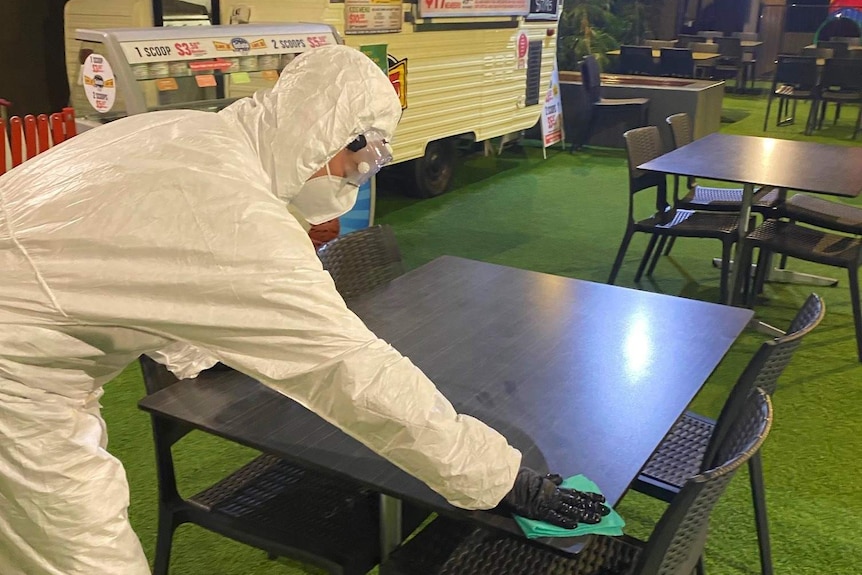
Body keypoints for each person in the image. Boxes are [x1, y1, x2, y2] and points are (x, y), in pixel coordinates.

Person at [0, 45, 605, 575]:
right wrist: (504, 481)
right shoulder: (235, 214)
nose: (355, 177)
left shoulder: (188, 134)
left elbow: (131, 266)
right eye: (356, 156)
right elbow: (357, 377)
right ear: (320, 131)